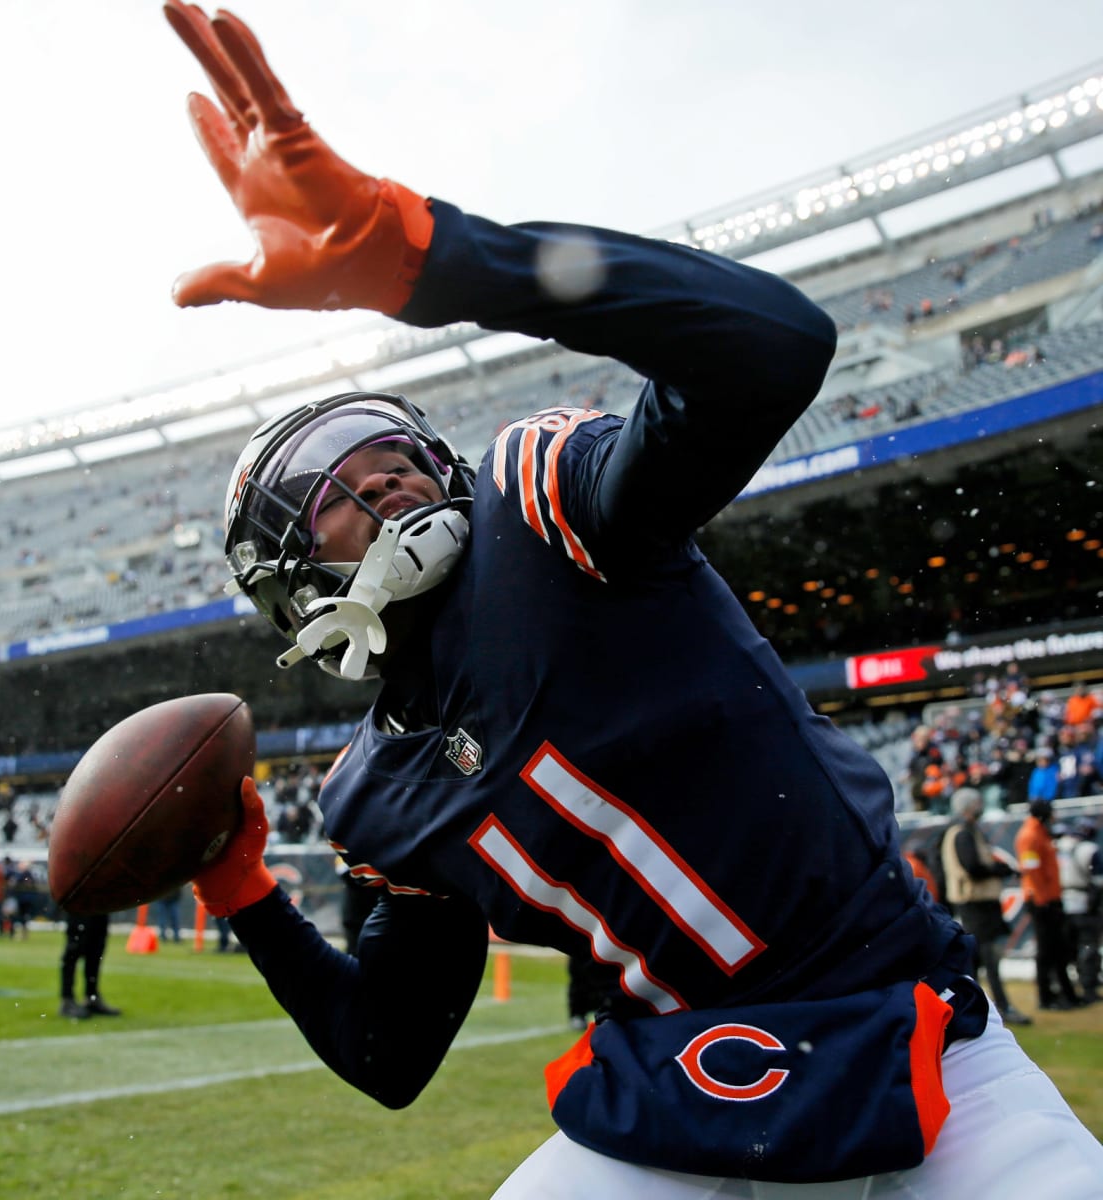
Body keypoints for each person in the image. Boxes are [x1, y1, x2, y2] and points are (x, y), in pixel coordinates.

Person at [163, 4, 1103, 1194]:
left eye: (389, 448)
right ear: (283, 577)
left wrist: (430, 256)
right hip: (683, 1093)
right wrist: (245, 892)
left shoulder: (547, 514)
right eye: (330, 488)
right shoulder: (375, 800)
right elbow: (386, 1051)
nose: (383, 470)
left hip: (923, 1037)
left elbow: (773, 342)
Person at [939, 788, 1030, 1025]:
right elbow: (973, 868)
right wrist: (999, 870)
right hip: (975, 904)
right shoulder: (961, 833)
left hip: (977, 903)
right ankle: (999, 1007)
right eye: (978, 803)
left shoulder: (964, 831)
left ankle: (981, 1007)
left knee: (979, 958)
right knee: (988, 957)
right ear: (970, 807)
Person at [1015, 800, 1081, 1011]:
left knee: (1058, 948)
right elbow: (1031, 871)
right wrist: (1043, 901)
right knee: (1046, 951)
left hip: (1048, 898)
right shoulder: (1030, 836)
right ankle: (1046, 997)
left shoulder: (1039, 833)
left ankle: (1064, 993)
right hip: (1041, 901)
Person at [1056, 816, 1102, 1003]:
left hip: (1060, 902)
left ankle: (1063, 986)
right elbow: (1099, 881)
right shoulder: (1089, 849)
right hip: (1083, 903)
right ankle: (1089, 987)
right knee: (1088, 946)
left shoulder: (1057, 845)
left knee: (1066, 948)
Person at [59, 914, 121, 1020]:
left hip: (99, 904)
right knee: (74, 948)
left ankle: (92, 997)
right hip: (79, 904)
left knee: (96, 949)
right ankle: (67, 1000)